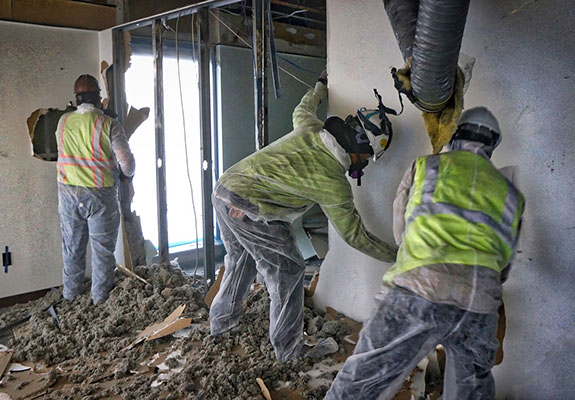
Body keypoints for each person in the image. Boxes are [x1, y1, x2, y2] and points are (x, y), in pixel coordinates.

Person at [325, 107, 525, 400]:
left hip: (419, 289)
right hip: (479, 303)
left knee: (363, 381)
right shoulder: (510, 193)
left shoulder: (428, 167)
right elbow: (505, 264)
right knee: (470, 391)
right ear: (493, 144)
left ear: (455, 135)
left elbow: (401, 226)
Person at [210, 71, 398, 362]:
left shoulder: (311, 128)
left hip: (225, 188)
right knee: (289, 270)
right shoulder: (333, 182)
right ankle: (290, 352)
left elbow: (303, 108)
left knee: (242, 258)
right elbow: (355, 236)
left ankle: (221, 325)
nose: (364, 165)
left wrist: (320, 85)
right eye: (367, 158)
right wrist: (398, 256)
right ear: (359, 147)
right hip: (254, 206)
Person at [56, 74, 135, 304]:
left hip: (68, 193)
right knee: (102, 251)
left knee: (72, 248)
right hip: (100, 194)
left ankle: (71, 298)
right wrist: (127, 177)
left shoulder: (63, 122)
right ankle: (100, 300)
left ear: (76, 99)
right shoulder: (109, 124)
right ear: (99, 98)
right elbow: (127, 163)